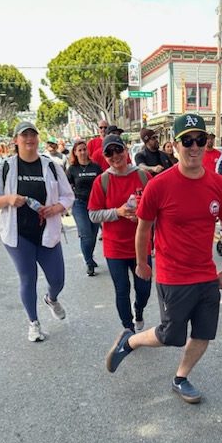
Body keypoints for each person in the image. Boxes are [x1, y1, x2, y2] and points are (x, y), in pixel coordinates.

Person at [105, 113, 222, 405]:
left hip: (206, 274)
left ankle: (181, 378)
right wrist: (142, 262)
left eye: (200, 140)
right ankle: (129, 341)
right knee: (171, 335)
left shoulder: (218, 184)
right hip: (172, 274)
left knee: (203, 334)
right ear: (175, 145)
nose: (194, 147)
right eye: (187, 141)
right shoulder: (160, 185)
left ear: (207, 143)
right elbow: (143, 228)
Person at [0, 121, 75, 342]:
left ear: (37, 139)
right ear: (16, 140)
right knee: (28, 277)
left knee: (58, 280)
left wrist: (56, 208)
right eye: (23, 135)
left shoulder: (51, 165)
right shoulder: (5, 166)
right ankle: (33, 323)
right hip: (18, 234)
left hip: (47, 232)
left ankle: (51, 299)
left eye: (32, 134)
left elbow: (68, 196)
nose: (29, 139)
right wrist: (8, 199)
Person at [88, 134, 152, 332]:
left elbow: (158, 210)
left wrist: (142, 217)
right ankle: (128, 328)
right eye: (109, 153)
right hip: (114, 246)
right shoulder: (102, 181)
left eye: (118, 150)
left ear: (126, 150)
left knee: (143, 290)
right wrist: (118, 212)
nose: (115, 156)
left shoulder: (143, 176)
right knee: (121, 290)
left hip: (140, 246)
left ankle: (139, 311)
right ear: (105, 157)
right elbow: (93, 214)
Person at [66, 139, 102, 276]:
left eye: (84, 149)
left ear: (88, 151)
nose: (82, 152)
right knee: (85, 234)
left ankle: (90, 256)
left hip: (95, 204)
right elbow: (66, 187)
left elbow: (103, 184)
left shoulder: (96, 167)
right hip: (79, 204)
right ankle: (89, 262)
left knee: (93, 235)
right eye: (79, 150)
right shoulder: (72, 169)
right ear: (75, 153)